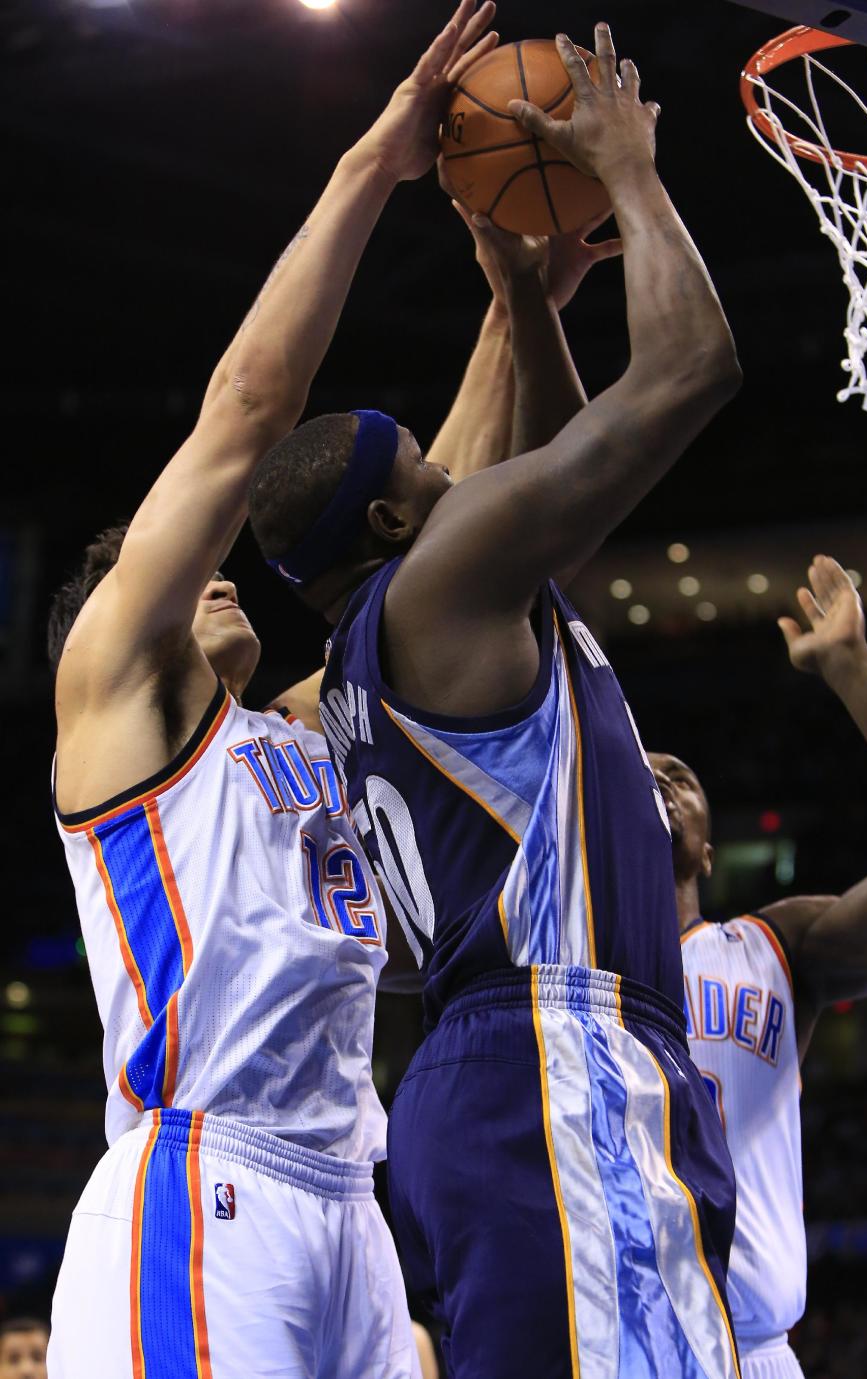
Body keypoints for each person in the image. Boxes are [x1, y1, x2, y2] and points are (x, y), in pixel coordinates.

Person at [249, 24, 743, 1379]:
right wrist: (632, 175)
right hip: (555, 1062)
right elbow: (694, 370)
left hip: (517, 1063)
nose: (463, 464)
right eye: (428, 457)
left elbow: (561, 518)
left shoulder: (396, 641)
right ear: (403, 513)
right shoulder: (440, 584)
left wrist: (529, 296)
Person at [45, 5, 497, 1376]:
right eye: (173, 564)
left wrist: (520, 295)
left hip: (346, 1204)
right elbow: (248, 405)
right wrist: (376, 160)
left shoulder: (292, 733)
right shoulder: (117, 697)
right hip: (202, 1188)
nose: (218, 570)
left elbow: (442, 535)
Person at [650, 555, 867, 1379]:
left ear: (709, 851)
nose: (663, 774)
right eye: (637, 770)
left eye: (680, 775)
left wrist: (855, 669)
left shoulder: (773, 946)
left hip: (754, 1352)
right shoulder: (551, 967)